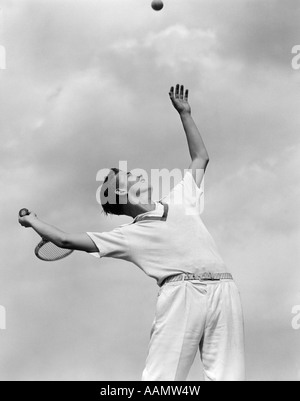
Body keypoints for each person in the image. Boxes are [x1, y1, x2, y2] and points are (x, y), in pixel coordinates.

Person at [19, 84, 245, 381]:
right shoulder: (128, 235)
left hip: (225, 290)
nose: (139, 173)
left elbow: (200, 157)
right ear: (120, 193)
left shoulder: (180, 199)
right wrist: (33, 221)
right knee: (161, 381)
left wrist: (185, 114)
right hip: (181, 295)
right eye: (130, 175)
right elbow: (63, 239)